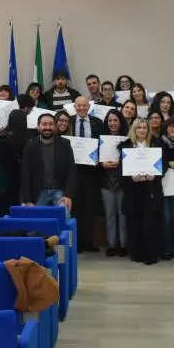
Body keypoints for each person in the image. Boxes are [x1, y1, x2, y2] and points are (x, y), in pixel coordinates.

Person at [118, 118, 166, 265]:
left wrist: (156, 174)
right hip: (133, 189)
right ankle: (136, 253)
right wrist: (131, 177)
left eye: (145, 128)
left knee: (151, 224)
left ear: (148, 129)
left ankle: (150, 255)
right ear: (134, 129)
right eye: (139, 128)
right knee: (134, 222)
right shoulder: (126, 146)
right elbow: (121, 169)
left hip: (150, 189)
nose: (142, 130)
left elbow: (162, 166)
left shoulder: (157, 144)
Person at [20, 114, 76, 209]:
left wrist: (68, 195)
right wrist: (27, 200)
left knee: (64, 217)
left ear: (55, 126)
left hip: (60, 192)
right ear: (38, 126)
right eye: (44, 124)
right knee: (37, 222)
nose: (48, 127)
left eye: (51, 124)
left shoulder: (65, 144)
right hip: (38, 192)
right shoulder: (30, 146)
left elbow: (71, 171)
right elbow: (25, 174)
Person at [72, 96, 104, 253]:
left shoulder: (97, 122)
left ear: (89, 107)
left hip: (92, 171)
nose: (82, 108)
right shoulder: (68, 122)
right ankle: (77, 242)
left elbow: (102, 145)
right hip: (73, 171)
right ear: (74, 107)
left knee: (89, 206)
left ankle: (89, 241)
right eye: (79, 105)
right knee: (75, 207)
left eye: (85, 105)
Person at [100, 109, 129, 257]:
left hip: (123, 182)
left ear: (120, 122)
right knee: (110, 214)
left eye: (115, 120)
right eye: (110, 120)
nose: (112, 123)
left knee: (122, 214)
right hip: (106, 182)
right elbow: (94, 161)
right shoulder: (101, 140)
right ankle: (111, 244)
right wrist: (102, 164)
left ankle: (124, 244)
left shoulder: (128, 139)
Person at [0, 109, 29, 216]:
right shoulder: (5, 138)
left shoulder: (7, 135)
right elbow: (8, 162)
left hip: (8, 181)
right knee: (7, 209)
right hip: (7, 181)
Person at [160, 117, 174, 260]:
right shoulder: (160, 143)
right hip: (163, 187)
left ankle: (173, 248)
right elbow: (157, 162)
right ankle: (165, 249)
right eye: (171, 126)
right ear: (166, 128)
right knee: (166, 219)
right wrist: (168, 163)